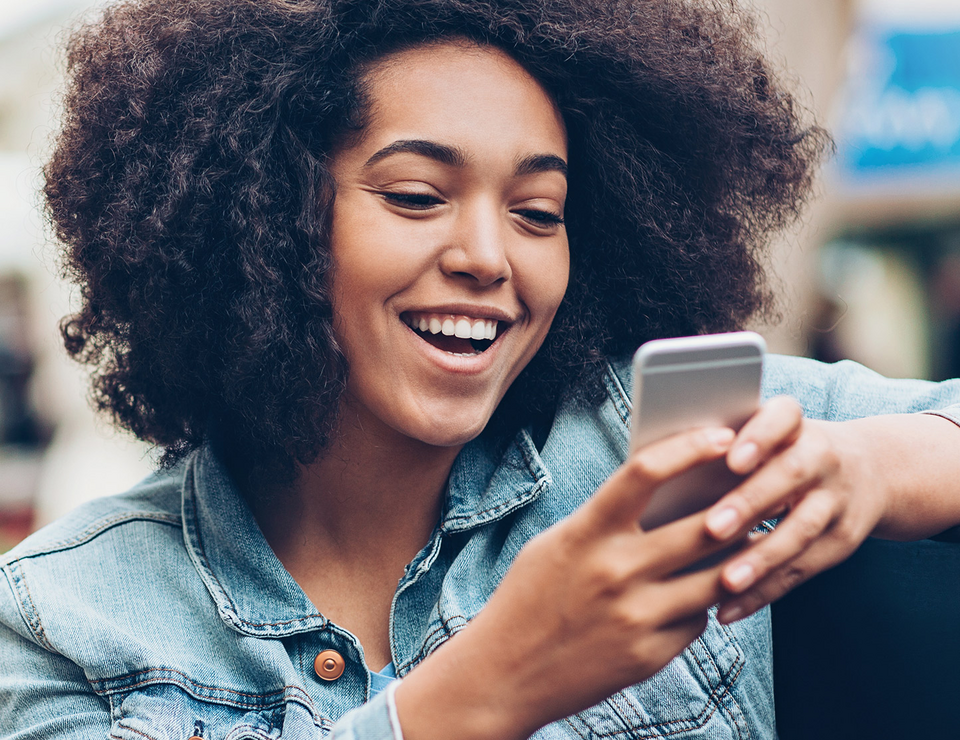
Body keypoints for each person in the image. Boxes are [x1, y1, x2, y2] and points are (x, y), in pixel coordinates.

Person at [3, 0, 960, 738]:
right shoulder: (59, 621)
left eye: (539, 213)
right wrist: (494, 683)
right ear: (260, 217)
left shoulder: (646, 442)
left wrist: (867, 464)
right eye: (418, 195)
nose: (490, 256)